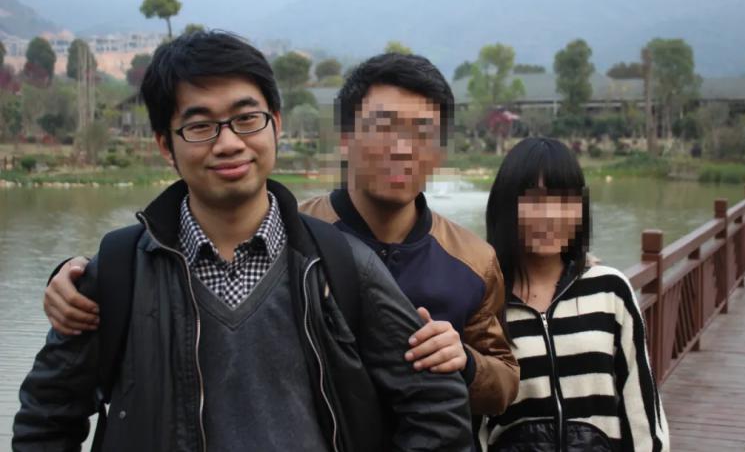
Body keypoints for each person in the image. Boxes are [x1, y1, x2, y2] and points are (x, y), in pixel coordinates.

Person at [13, 31, 473, 452]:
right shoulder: (118, 273)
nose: (229, 143)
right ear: (165, 145)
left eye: (247, 119)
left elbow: (437, 407)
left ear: (276, 123)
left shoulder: (341, 265)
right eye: (200, 126)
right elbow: (45, 419)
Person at [483, 137, 669, 452]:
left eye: (565, 200)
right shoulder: (485, 302)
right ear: (508, 206)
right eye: (536, 200)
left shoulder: (609, 290)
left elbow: (641, 407)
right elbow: (476, 424)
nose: (552, 215)